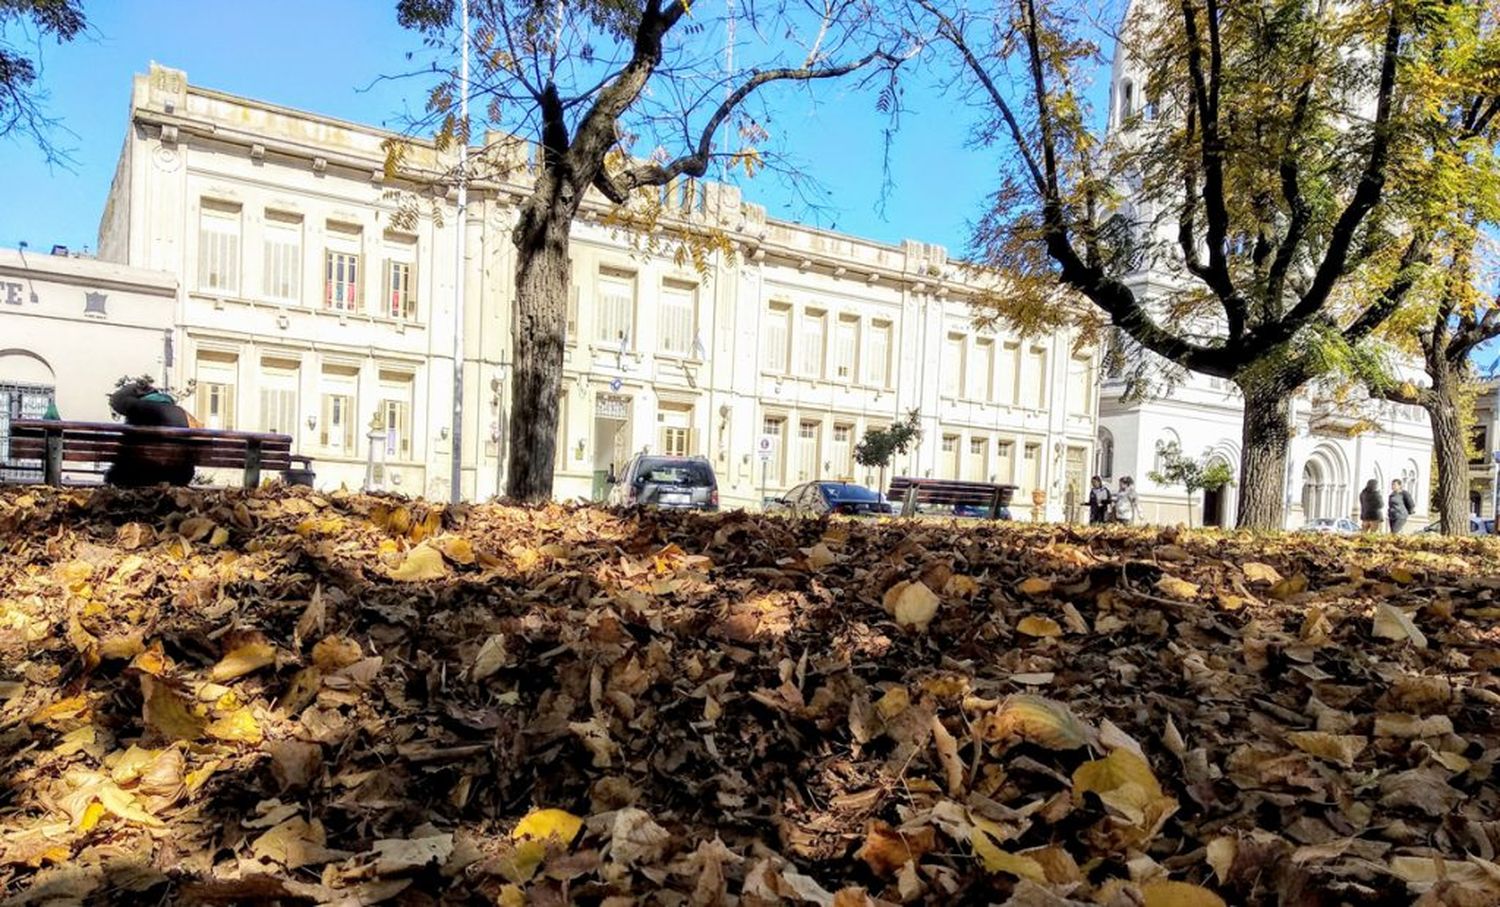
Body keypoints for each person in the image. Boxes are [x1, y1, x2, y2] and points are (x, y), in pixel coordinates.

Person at [105, 379, 196, 487]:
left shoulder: (137, 408)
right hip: (179, 476)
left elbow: (125, 451)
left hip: (142, 475)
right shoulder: (180, 412)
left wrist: (110, 475)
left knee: (117, 474)